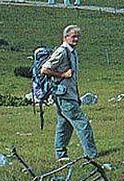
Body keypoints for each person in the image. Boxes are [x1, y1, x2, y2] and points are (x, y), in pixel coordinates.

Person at [41, 25, 97, 161]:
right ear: (65, 37)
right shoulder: (62, 51)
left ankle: (61, 154)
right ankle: (92, 155)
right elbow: (44, 69)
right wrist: (62, 74)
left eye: (78, 36)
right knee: (82, 123)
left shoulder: (72, 52)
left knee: (64, 124)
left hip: (68, 94)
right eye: (73, 36)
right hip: (64, 95)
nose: (76, 39)